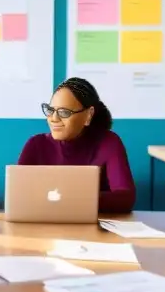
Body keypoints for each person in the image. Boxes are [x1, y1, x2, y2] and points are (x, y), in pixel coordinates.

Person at [17, 77, 136, 213]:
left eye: (64, 112)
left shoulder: (109, 142)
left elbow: (126, 198)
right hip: (42, 227)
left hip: (93, 229)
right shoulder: (35, 144)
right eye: (50, 110)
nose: (54, 118)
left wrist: (70, 200)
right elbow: (18, 196)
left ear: (88, 115)